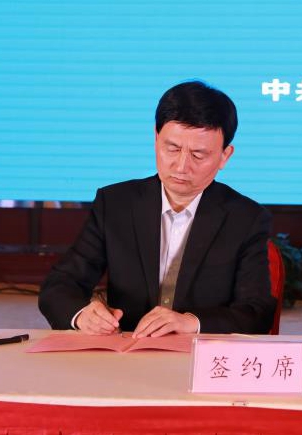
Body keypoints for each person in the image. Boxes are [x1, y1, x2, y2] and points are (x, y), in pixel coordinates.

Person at [39, 80, 276, 337]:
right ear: (155, 138)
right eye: (172, 148)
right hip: (128, 350)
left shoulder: (246, 218)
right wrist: (82, 314)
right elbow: (60, 285)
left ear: (224, 156)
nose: (181, 166)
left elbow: (257, 312)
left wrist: (191, 322)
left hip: (200, 352)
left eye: (198, 155)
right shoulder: (116, 203)